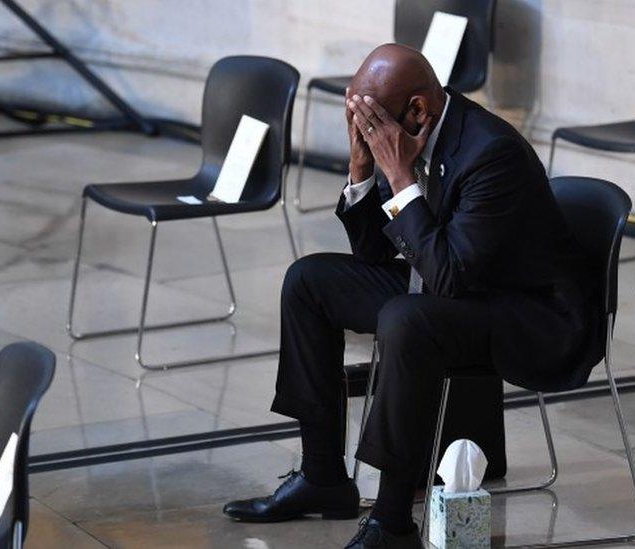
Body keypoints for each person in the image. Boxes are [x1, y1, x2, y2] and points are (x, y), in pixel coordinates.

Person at [224, 44, 596, 548]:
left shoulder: (490, 153)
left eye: (371, 124)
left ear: (418, 110)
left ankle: (393, 523)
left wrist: (399, 176)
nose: (367, 135)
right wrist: (363, 169)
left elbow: (446, 278)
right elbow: (372, 255)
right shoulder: (402, 138)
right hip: (460, 287)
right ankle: (322, 478)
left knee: (408, 319)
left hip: (532, 316)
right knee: (309, 282)